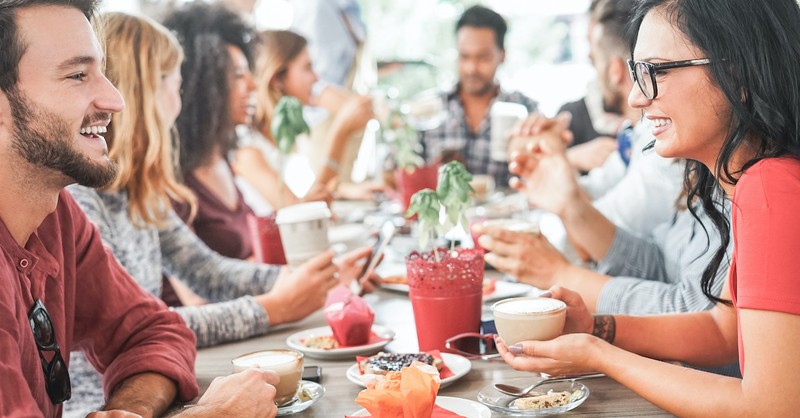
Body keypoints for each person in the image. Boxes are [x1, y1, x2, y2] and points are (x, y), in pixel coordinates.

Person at [497, 0, 800, 415]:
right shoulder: (736, 181)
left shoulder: (772, 186)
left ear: (737, 72)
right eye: (638, 73)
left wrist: (598, 353)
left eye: (656, 71)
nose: (637, 98)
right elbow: (722, 328)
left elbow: (771, 407)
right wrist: (597, 329)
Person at [62, 13, 371, 416]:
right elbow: (148, 324)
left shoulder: (137, 191)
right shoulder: (79, 200)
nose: (184, 95)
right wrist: (273, 307)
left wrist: (302, 279)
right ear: (148, 92)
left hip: (157, 395)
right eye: (176, 81)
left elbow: (208, 271)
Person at [0, 1, 278, 416]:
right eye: (77, 75)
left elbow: (155, 331)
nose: (115, 99)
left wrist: (128, 412)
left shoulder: (55, 216)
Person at [233, 29, 370, 214]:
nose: (316, 77)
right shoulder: (247, 151)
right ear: (277, 79)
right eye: (307, 67)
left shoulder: (288, 131)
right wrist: (340, 133)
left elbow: (306, 194)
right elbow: (301, 214)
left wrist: (344, 191)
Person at [418, 5, 538, 188]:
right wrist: (433, 171)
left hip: (506, 216)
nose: (471, 68)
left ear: (502, 55)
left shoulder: (526, 110)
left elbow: (540, 179)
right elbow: (395, 177)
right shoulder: (427, 108)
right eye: (464, 57)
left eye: (483, 57)